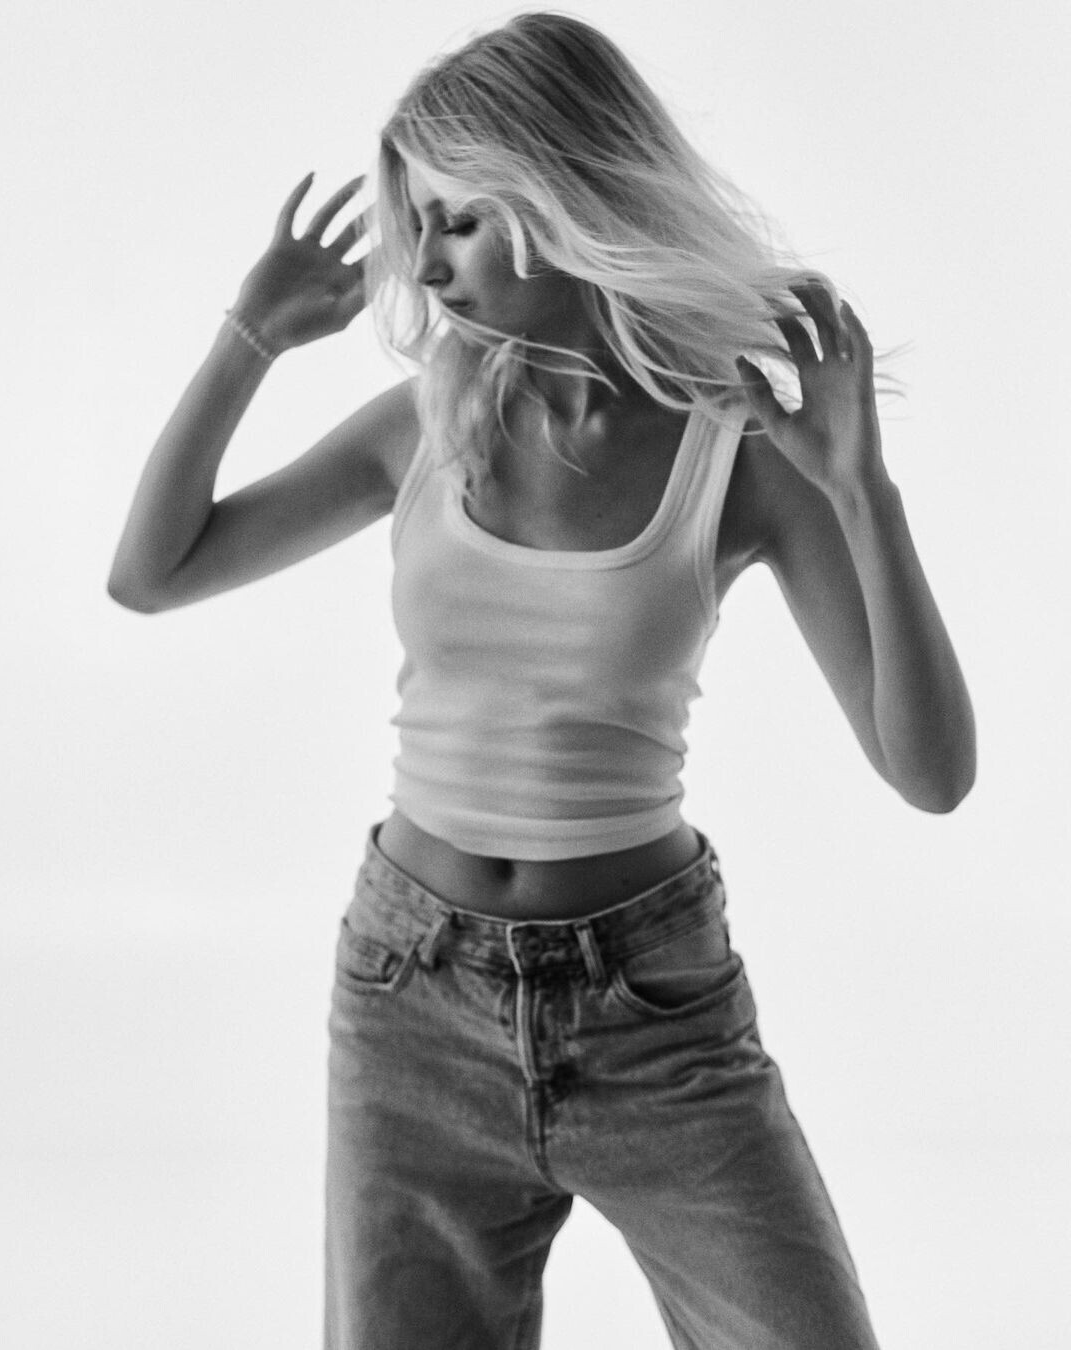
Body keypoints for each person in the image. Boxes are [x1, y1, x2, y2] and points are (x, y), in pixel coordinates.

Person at [108, 12, 975, 1349]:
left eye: (458, 219)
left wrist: (862, 491)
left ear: (564, 193)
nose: (424, 262)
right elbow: (152, 573)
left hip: (655, 1011)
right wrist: (250, 336)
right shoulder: (427, 425)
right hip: (411, 999)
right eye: (417, 223)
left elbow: (932, 773)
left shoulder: (740, 454)